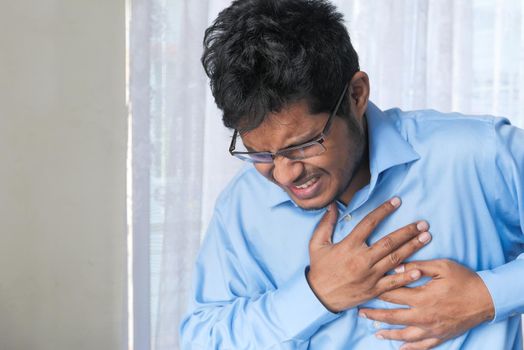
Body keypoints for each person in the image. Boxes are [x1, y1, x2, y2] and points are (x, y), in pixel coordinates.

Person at [179, 0, 524, 349]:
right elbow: (203, 339)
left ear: (356, 95)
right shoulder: (242, 206)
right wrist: (315, 295)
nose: (284, 174)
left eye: (304, 144)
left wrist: (486, 297)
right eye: (261, 153)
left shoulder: (477, 153)